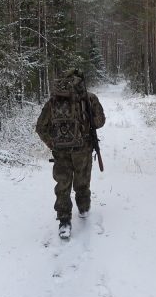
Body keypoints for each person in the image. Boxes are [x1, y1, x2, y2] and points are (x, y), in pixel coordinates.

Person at [35, 69, 105, 239]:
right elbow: (100, 122)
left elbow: (40, 127)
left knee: (63, 186)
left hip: (61, 152)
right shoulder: (89, 98)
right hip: (83, 149)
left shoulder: (54, 100)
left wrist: (53, 143)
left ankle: (64, 221)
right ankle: (83, 208)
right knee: (82, 181)